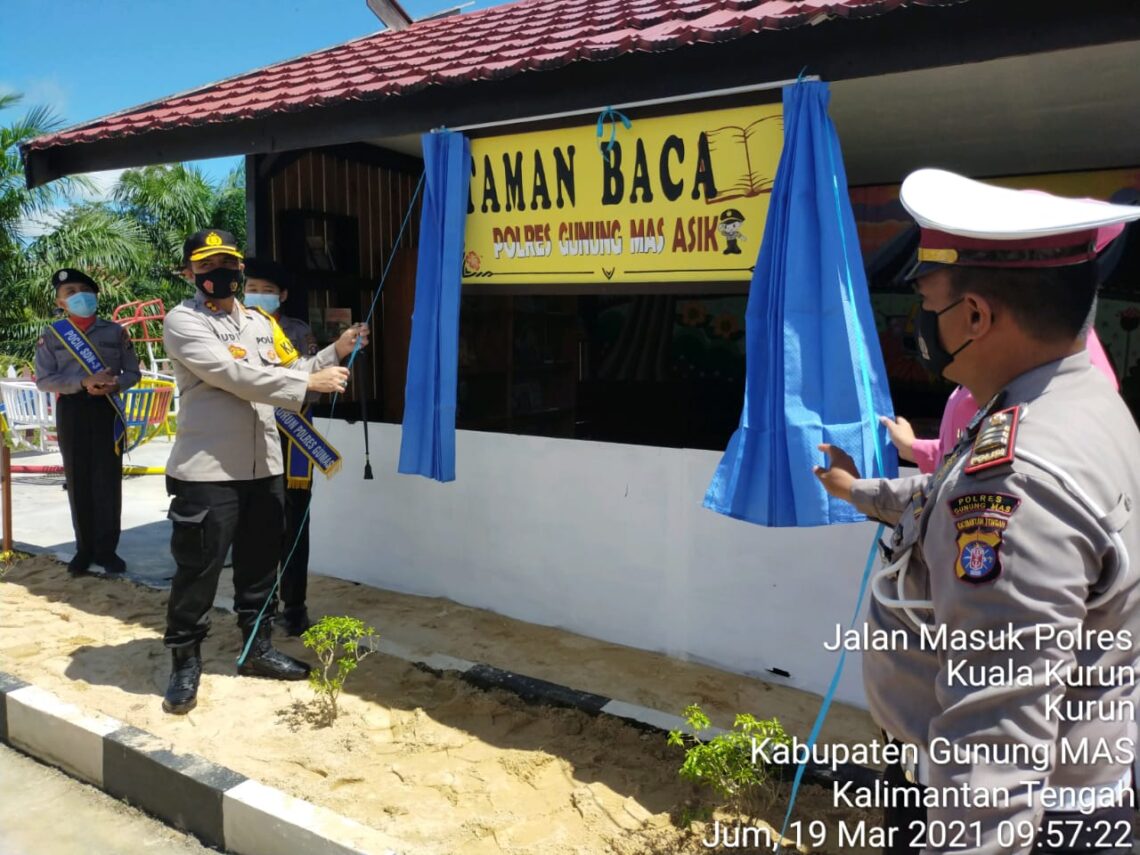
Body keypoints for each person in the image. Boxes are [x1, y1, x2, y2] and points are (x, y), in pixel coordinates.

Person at [815, 169, 1140, 854]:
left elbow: (995, 756)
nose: (919, 323)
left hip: (1034, 816)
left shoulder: (1021, 477)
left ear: (974, 316)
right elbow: (944, 500)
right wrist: (853, 490)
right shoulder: (1070, 402)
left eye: (926, 301)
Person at [161, 229, 366, 715]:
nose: (220, 275)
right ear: (190, 273)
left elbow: (294, 370)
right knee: (199, 570)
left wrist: (336, 350)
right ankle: (184, 661)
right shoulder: (183, 322)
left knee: (259, 566)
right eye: (206, 267)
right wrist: (308, 380)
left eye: (227, 265)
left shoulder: (259, 323)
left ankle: (257, 648)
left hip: (265, 466)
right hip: (208, 471)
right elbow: (234, 377)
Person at [884, 327, 1119, 473]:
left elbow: (982, 462)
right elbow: (967, 452)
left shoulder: (1031, 367)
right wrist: (914, 449)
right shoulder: (1025, 355)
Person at [34, 268, 140, 576]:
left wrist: (115, 385)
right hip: (73, 409)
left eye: (84, 289)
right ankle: (84, 549)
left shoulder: (115, 332)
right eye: (70, 292)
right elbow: (45, 379)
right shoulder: (53, 335)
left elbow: (133, 372)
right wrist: (83, 382)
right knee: (78, 480)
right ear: (60, 302)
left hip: (106, 408)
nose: (79, 295)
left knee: (107, 480)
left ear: (95, 295)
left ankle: (108, 551)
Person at [242, 257, 320, 637]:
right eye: (251, 288)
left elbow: (313, 385)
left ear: (282, 295)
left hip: (293, 434)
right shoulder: (231, 331)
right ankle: (259, 608)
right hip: (252, 434)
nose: (257, 296)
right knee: (257, 525)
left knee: (295, 523)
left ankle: (295, 605)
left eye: (266, 290)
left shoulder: (296, 330)